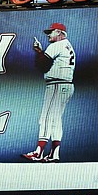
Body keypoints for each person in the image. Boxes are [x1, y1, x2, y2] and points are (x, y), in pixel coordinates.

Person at [22, 22, 75, 163]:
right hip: (66, 85)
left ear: (59, 32)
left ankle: (38, 152)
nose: (48, 35)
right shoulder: (68, 45)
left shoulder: (56, 45)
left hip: (57, 84)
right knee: (56, 119)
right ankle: (54, 153)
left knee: (45, 117)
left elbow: (42, 65)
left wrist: (39, 51)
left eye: (50, 32)